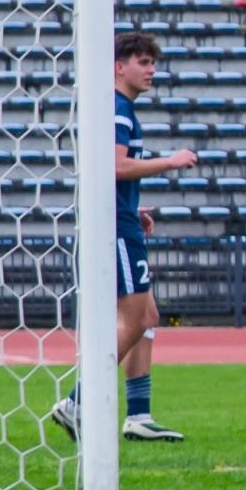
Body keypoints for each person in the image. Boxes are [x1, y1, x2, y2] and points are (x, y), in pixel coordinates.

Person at [49, 33, 196, 444]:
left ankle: (138, 415)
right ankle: (78, 401)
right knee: (136, 318)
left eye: (152, 62)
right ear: (119, 66)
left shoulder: (121, 108)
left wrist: (135, 209)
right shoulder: (118, 109)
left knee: (147, 316)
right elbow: (114, 166)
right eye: (143, 62)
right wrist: (169, 160)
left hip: (121, 219)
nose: (151, 70)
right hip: (115, 226)